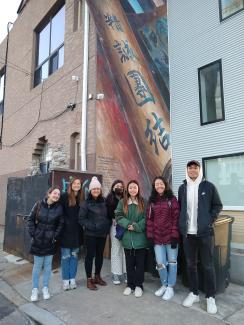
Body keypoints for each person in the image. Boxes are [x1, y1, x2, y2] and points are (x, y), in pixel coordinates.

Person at [178, 160, 223, 314]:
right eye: (190, 168)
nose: (192, 170)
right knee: (191, 265)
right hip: (188, 234)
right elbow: (181, 208)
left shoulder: (208, 186)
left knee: (208, 265)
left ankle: (210, 297)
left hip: (205, 234)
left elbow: (217, 205)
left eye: (195, 167)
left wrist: (209, 220)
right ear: (187, 170)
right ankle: (194, 293)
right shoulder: (182, 188)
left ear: (199, 170)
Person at [27, 187, 64, 302]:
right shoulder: (38, 205)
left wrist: (54, 237)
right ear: (49, 193)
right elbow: (30, 220)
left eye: (58, 194)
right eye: (54, 193)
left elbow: (61, 224)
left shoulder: (59, 208)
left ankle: (45, 288)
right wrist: (34, 234)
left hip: (50, 242)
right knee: (37, 266)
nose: (56, 196)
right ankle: (34, 289)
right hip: (38, 241)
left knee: (48, 266)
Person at [147, 176, 180, 301]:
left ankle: (170, 287)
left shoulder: (172, 199)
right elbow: (150, 220)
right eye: (157, 184)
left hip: (170, 236)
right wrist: (150, 236)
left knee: (172, 262)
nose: (159, 186)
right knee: (160, 263)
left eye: (161, 184)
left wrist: (174, 235)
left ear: (165, 185)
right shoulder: (152, 201)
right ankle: (164, 284)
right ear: (154, 187)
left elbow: (176, 219)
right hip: (157, 238)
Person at [115, 180, 148, 298]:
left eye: (135, 187)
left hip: (140, 238)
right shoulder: (122, 202)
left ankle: (139, 286)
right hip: (127, 238)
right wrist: (128, 224)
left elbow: (146, 218)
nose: (133, 190)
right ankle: (130, 285)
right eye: (130, 188)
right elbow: (118, 215)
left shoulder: (143, 202)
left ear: (138, 189)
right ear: (127, 189)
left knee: (140, 264)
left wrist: (136, 226)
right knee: (129, 264)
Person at [79, 176, 110, 290]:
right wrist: (93, 226)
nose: (96, 191)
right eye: (94, 189)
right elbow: (81, 219)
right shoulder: (85, 203)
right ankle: (89, 279)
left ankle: (97, 276)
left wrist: (106, 226)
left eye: (98, 189)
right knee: (89, 256)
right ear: (90, 191)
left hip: (102, 234)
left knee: (99, 256)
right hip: (90, 235)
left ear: (100, 190)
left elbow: (109, 216)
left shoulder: (105, 201)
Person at [60, 178, 84, 291]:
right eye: (75, 183)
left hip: (77, 233)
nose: (77, 185)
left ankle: (72, 279)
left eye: (78, 184)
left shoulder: (82, 198)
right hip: (66, 233)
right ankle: (65, 280)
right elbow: (60, 213)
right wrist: (65, 223)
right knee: (65, 257)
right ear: (71, 185)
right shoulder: (65, 196)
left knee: (74, 257)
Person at [106, 180, 127, 285]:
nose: (119, 187)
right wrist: (112, 218)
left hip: (125, 226)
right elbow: (107, 213)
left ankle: (126, 272)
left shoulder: (126, 198)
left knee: (125, 250)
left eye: (121, 186)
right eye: (117, 186)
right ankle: (116, 273)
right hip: (115, 226)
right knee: (116, 249)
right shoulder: (109, 198)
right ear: (113, 187)